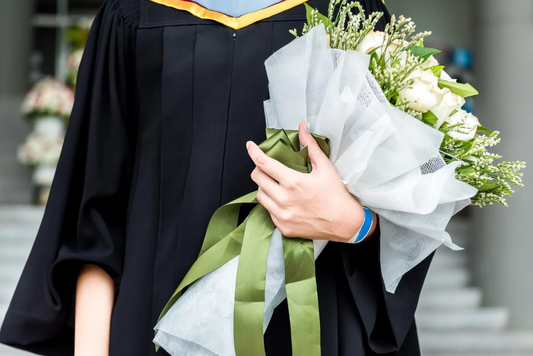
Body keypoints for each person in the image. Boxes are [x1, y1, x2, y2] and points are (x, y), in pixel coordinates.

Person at [0, 0, 433, 355]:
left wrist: (354, 223)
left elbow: (404, 201)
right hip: (152, 323)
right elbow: (93, 227)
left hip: (315, 321)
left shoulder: (352, 15)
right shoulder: (130, 17)